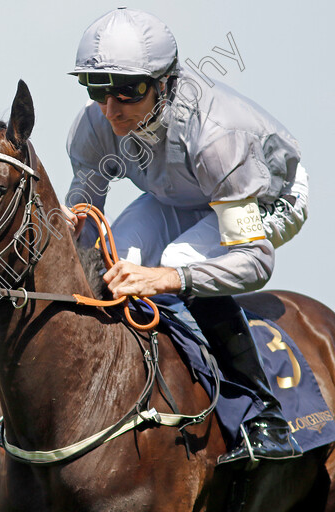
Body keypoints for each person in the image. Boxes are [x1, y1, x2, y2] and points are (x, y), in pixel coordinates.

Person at [60, 7, 309, 465]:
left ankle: (262, 414)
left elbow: (255, 260)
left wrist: (165, 279)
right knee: (109, 259)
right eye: (97, 89)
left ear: (166, 83)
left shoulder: (216, 136)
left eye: (128, 92)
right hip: (180, 193)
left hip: (262, 197)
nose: (111, 109)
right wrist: (74, 228)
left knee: (173, 261)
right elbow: (86, 205)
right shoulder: (97, 123)